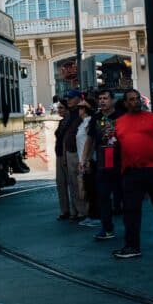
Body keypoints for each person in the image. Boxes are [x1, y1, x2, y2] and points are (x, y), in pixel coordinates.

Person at [113, 89, 153, 259]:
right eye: (132, 100)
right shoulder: (118, 122)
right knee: (131, 210)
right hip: (131, 171)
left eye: (137, 99)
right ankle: (132, 246)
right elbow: (113, 145)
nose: (136, 102)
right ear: (126, 103)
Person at [82, 89, 121, 241]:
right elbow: (90, 140)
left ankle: (130, 227)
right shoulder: (95, 118)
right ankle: (107, 228)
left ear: (112, 101)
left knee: (123, 196)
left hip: (120, 162)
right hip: (102, 163)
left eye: (105, 98)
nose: (102, 101)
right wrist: (84, 159)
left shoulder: (121, 117)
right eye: (100, 98)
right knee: (103, 196)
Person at [61, 90, 87, 221]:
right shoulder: (69, 114)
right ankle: (76, 211)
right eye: (67, 98)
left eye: (71, 98)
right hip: (70, 152)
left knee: (80, 184)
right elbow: (66, 136)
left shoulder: (82, 112)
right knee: (73, 184)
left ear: (78, 99)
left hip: (79, 152)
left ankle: (82, 211)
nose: (68, 100)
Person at [75, 99, 100, 228]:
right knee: (88, 189)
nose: (79, 109)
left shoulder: (90, 121)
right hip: (84, 161)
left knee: (91, 189)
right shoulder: (83, 123)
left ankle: (95, 216)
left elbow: (91, 142)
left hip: (89, 161)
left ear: (86, 109)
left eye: (81, 107)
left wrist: (87, 160)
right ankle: (91, 215)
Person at [54, 101, 72, 220]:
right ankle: (65, 210)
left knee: (72, 183)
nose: (59, 110)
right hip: (59, 154)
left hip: (67, 155)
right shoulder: (61, 122)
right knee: (60, 184)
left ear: (67, 109)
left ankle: (75, 211)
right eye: (58, 108)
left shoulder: (70, 122)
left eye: (61, 108)